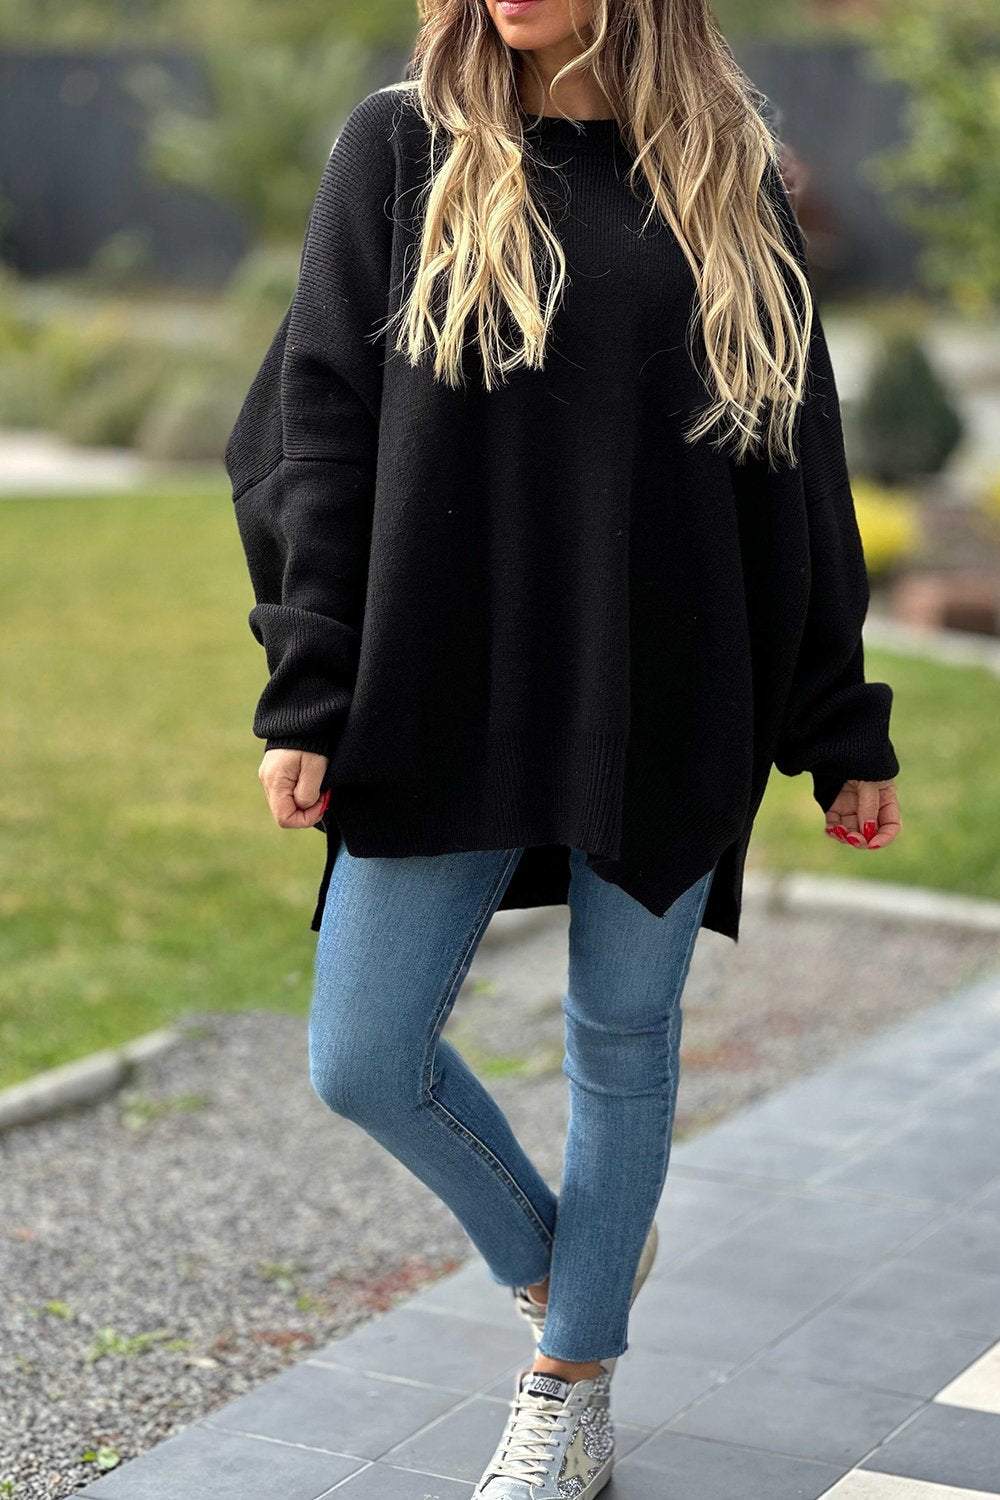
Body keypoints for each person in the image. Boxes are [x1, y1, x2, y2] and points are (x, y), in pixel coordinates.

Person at [224, 1, 902, 1493]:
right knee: (364, 1057)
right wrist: (308, 689)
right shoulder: (401, 146)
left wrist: (840, 722)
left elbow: (799, 458)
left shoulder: (722, 167)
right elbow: (313, 429)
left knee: (622, 1038)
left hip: (676, 683)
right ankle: (569, 1262)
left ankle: (571, 1382)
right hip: (440, 675)